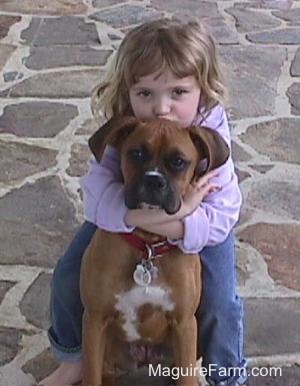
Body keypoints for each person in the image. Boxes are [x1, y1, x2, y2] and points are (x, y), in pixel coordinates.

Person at [39, 18, 247, 386]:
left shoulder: (210, 135)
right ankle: (74, 359)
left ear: (202, 90)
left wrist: (185, 222)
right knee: (69, 274)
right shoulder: (125, 129)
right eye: (146, 93)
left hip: (205, 227)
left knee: (220, 301)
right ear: (128, 91)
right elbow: (97, 201)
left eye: (177, 93)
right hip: (125, 216)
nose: (160, 108)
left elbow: (224, 212)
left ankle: (226, 376)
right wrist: (177, 208)